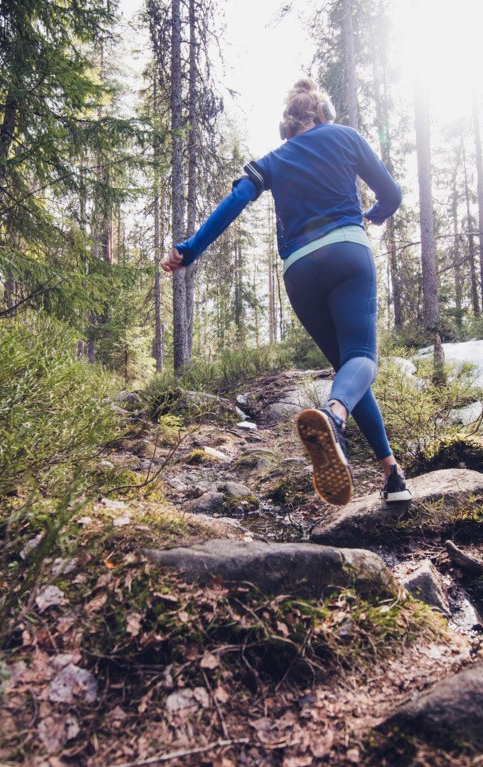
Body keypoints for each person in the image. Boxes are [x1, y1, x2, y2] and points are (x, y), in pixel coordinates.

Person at [161, 78, 411, 506]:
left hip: (299, 272)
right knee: (362, 360)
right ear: (323, 115)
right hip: (348, 254)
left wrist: (190, 249)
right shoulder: (346, 137)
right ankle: (334, 419)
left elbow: (235, 200)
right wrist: (373, 214)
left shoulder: (274, 159)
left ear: (288, 127)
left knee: (347, 371)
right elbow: (391, 194)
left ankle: (392, 475)